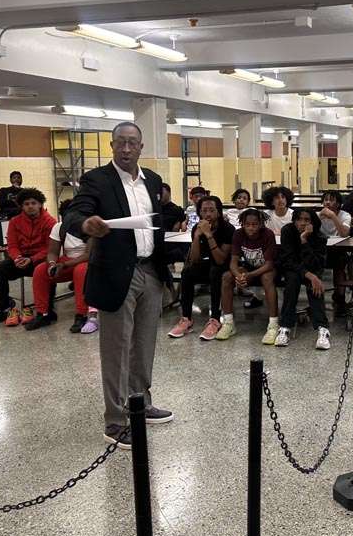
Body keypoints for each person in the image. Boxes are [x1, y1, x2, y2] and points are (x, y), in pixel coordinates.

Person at [62, 122, 173, 450]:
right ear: (111, 145)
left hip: (150, 271)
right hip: (116, 274)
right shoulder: (97, 180)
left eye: (132, 143)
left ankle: (140, 402)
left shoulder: (153, 180)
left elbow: (156, 223)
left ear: (141, 147)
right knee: (116, 349)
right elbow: (74, 213)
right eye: (120, 143)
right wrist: (85, 224)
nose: (126, 149)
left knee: (144, 344)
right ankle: (115, 419)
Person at [167, 195, 234, 341]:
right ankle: (186, 318)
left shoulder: (228, 229)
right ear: (199, 213)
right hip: (206, 265)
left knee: (215, 271)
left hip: (225, 268)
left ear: (219, 212)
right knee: (187, 271)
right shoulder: (196, 229)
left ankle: (215, 319)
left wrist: (209, 235)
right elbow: (194, 259)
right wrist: (197, 237)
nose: (208, 214)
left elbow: (220, 260)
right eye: (204, 211)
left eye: (212, 210)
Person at [0, 188, 56, 326]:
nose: (30, 206)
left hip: (40, 259)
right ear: (22, 206)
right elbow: (12, 245)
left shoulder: (50, 222)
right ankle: (5, 308)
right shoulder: (14, 222)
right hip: (20, 258)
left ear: (40, 204)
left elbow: (50, 249)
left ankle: (47, 309)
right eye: (26, 204)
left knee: (48, 270)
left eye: (33, 203)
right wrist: (17, 258)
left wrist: (32, 259)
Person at [26, 199, 91, 333]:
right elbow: (52, 252)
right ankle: (43, 314)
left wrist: (64, 264)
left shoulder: (89, 226)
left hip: (88, 262)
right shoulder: (59, 227)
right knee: (40, 270)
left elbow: (89, 255)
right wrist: (52, 264)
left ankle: (82, 315)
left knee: (80, 271)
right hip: (68, 261)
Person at [216, 208, 279, 343]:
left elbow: (269, 265)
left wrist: (249, 275)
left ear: (261, 224)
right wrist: (239, 276)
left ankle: (273, 325)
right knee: (227, 277)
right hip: (249, 267)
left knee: (267, 278)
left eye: (254, 224)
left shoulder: (268, 234)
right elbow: (233, 262)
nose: (251, 228)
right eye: (247, 224)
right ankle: (229, 323)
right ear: (242, 224)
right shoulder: (238, 234)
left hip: (266, 268)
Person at [276, 208, 332, 350]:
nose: (302, 223)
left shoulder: (320, 237)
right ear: (294, 221)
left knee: (315, 285)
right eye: (299, 219)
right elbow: (287, 260)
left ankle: (323, 328)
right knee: (292, 281)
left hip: (311, 269)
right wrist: (309, 275)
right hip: (293, 269)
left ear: (312, 223)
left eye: (307, 220)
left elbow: (316, 264)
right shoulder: (287, 231)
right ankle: (285, 326)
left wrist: (304, 240)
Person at [319, 189, 353, 317]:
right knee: (314, 262)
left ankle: (340, 297)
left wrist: (333, 216)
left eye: (331, 200)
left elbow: (344, 233)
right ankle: (317, 298)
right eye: (325, 200)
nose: (328, 203)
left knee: (339, 266)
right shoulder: (318, 215)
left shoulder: (345, 215)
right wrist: (318, 218)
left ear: (338, 204)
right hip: (322, 249)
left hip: (339, 249)